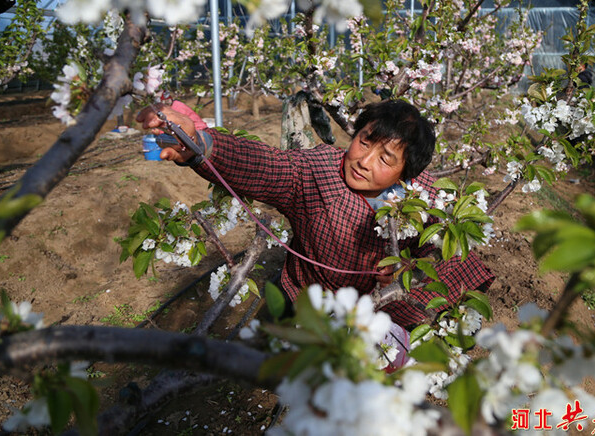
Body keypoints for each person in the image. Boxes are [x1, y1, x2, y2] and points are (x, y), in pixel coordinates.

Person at [137, 100, 494, 329]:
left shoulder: (427, 199)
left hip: (382, 310)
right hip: (317, 294)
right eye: (364, 141)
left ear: (406, 174)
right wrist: (204, 145)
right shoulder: (319, 171)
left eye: (386, 158)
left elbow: (443, 251)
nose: (364, 161)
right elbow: (267, 167)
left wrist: (409, 270)